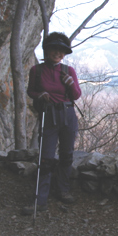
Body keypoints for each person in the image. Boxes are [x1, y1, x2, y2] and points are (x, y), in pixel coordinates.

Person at [22, 32, 82, 215]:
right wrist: (40, 95)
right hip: (49, 115)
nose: (58, 53)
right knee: (46, 157)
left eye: (61, 50)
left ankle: (62, 189)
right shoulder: (37, 70)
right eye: (55, 49)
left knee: (66, 154)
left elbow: (76, 95)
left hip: (67, 114)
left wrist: (70, 84)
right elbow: (31, 91)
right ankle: (40, 199)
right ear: (47, 50)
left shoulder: (67, 71)